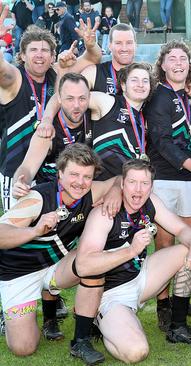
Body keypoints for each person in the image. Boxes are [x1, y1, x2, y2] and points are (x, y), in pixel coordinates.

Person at [74, 159, 191, 363]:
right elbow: (83, 265)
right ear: (122, 184)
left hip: (141, 278)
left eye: (145, 183)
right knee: (136, 352)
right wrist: (132, 250)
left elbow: (182, 230)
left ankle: (178, 327)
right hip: (111, 294)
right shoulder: (105, 212)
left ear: (151, 186)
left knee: (186, 249)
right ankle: (101, 322)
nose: (138, 189)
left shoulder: (151, 202)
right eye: (133, 182)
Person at [0, 143, 117, 359]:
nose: (80, 183)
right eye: (74, 174)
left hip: (55, 267)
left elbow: (119, 180)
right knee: (23, 348)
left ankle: (81, 341)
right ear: (60, 173)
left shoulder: (91, 191)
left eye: (87, 176)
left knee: (92, 261)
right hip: (19, 273)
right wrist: (34, 231)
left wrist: (114, 193)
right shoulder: (38, 198)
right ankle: (15, 314)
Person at [145, 40, 191, 341]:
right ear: (162, 64)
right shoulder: (159, 96)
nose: (178, 62)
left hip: (187, 178)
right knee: (164, 246)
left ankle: (180, 305)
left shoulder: (185, 93)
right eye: (171, 58)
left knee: (190, 246)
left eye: (183, 58)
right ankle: (163, 305)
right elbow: (161, 141)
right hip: (165, 177)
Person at [0, 10, 101, 210]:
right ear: (21, 55)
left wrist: (90, 43)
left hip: (52, 171)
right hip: (18, 171)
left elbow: (93, 58)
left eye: (45, 50)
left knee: (51, 231)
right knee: (17, 229)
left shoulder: (58, 72)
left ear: (53, 55)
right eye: (33, 49)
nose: (39, 55)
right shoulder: (14, 79)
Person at [13, 73, 93, 190]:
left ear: (89, 97)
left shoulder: (95, 116)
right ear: (59, 98)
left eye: (82, 98)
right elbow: (28, 167)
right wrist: (21, 182)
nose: (76, 105)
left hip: (83, 189)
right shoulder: (47, 130)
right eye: (70, 98)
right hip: (51, 192)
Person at [82, 23, 136, 96]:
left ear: (135, 45)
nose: (124, 48)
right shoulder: (94, 73)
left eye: (129, 43)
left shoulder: (144, 77)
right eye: (118, 43)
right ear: (110, 46)